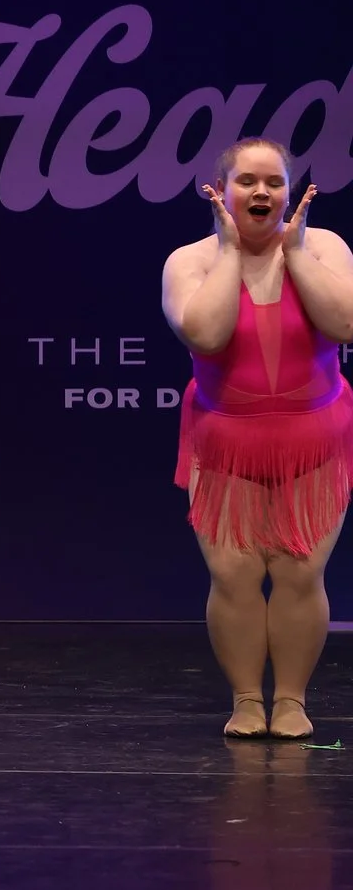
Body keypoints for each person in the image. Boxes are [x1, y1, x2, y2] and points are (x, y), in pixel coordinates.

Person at [161, 136, 353, 740]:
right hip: (225, 443)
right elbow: (207, 337)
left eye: (275, 182)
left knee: (299, 574)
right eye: (248, 181)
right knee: (235, 576)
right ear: (221, 191)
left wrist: (294, 255)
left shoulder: (323, 247)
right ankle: (247, 699)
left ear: (290, 192)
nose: (263, 191)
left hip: (314, 439)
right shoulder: (189, 261)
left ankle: (291, 700)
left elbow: (345, 323)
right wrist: (227, 254)